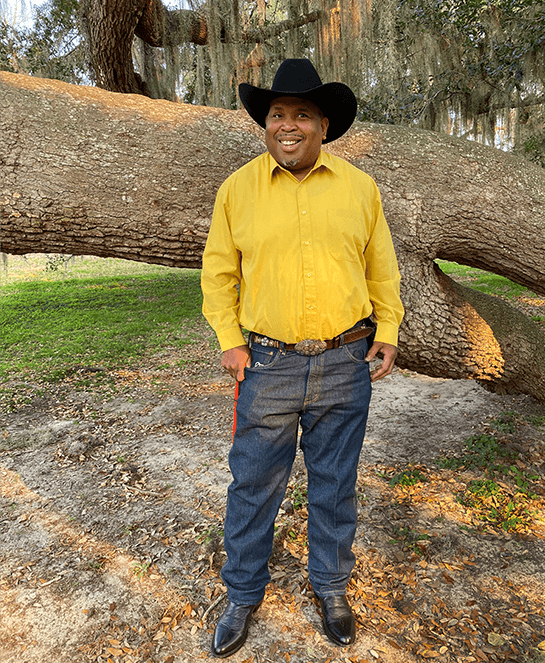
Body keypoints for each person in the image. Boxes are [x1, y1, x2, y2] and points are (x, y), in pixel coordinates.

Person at [201, 58, 404, 658]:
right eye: (277, 115)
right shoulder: (236, 190)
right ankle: (241, 596)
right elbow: (219, 274)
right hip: (266, 364)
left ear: (323, 125)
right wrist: (230, 340)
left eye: (302, 115)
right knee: (253, 486)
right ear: (266, 124)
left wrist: (387, 329)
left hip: (346, 363)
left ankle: (332, 589)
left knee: (335, 486)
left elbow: (380, 268)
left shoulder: (359, 189)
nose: (287, 125)